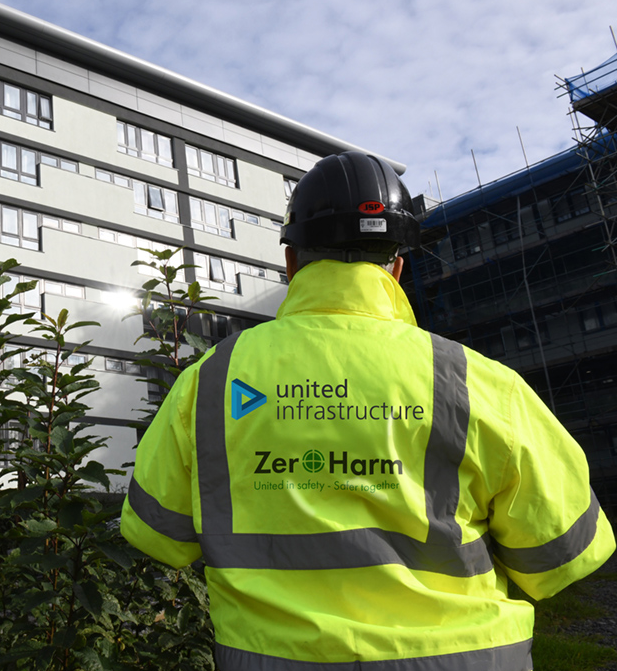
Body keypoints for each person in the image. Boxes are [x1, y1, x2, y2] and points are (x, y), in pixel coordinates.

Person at [121, 151, 615, 670]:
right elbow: (562, 551)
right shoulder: (479, 382)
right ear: (397, 268)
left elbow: (158, 533)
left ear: (291, 263)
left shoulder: (209, 383)